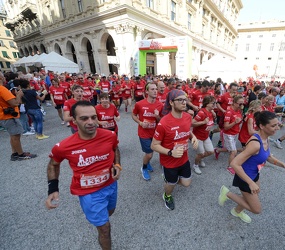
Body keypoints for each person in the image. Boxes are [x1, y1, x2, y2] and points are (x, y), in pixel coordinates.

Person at [45, 101, 121, 250]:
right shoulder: (64, 146)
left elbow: (115, 149)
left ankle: (101, 219)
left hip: (111, 185)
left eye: (94, 117)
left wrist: (117, 165)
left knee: (110, 212)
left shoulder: (109, 135)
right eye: (84, 118)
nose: (91, 122)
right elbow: (53, 164)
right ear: (74, 121)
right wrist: (52, 189)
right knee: (105, 228)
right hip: (89, 193)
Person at [218, 111, 285, 223]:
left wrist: (284, 165)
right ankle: (227, 193)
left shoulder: (266, 138)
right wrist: (250, 183)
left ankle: (236, 211)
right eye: (273, 125)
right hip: (245, 178)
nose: (277, 128)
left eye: (277, 124)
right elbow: (234, 163)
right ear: (261, 126)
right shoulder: (255, 144)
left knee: (252, 195)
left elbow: (268, 157)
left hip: (254, 174)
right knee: (256, 209)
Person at [151, 89, 198, 210]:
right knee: (170, 184)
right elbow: (154, 145)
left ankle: (169, 179)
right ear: (171, 102)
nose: (184, 102)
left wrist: (193, 137)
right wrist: (170, 152)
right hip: (169, 162)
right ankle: (167, 195)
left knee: (186, 183)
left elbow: (187, 131)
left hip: (184, 159)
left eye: (185, 100)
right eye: (180, 100)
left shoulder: (187, 117)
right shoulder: (164, 122)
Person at [0, 75, 37, 161]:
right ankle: (21, 154)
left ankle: (15, 153)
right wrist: (19, 95)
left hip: (4, 116)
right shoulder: (2, 89)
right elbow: (15, 103)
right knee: (16, 135)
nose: (4, 76)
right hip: (9, 116)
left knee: (13, 135)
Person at [132, 83, 163, 181]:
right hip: (144, 133)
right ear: (146, 91)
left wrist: (157, 116)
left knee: (151, 151)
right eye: (152, 89)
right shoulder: (139, 104)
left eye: (156, 89)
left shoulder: (160, 104)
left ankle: (148, 162)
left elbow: (162, 120)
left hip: (155, 133)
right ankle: (144, 168)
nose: (155, 91)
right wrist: (140, 123)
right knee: (149, 154)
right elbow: (133, 115)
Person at [214, 95, 244, 175]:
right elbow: (226, 127)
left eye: (242, 104)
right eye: (240, 104)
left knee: (228, 149)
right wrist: (235, 122)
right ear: (234, 103)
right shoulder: (229, 112)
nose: (242, 106)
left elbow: (239, 121)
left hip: (235, 133)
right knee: (233, 151)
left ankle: (217, 150)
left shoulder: (239, 111)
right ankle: (230, 167)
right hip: (228, 134)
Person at [191, 95, 216, 174]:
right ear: (207, 104)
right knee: (200, 153)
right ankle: (195, 165)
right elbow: (192, 123)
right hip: (198, 137)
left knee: (211, 151)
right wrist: (203, 122)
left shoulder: (211, 112)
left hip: (205, 136)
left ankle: (200, 158)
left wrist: (213, 114)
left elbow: (211, 121)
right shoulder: (202, 113)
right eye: (213, 103)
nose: (214, 105)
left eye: (215, 103)